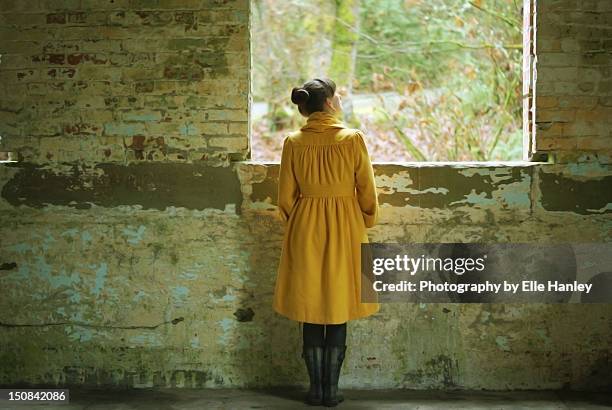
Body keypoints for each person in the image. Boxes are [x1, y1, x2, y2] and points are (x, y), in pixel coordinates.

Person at [272, 77, 381, 407]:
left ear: (305, 106)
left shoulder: (293, 142)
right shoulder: (352, 139)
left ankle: (314, 390)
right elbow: (367, 192)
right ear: (331, 103)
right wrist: (364, 220)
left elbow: (285, 198)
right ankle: (331, 392)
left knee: (309, 305)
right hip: (346, 224)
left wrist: (300, 222)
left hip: (305, 225)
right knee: (337, 306)